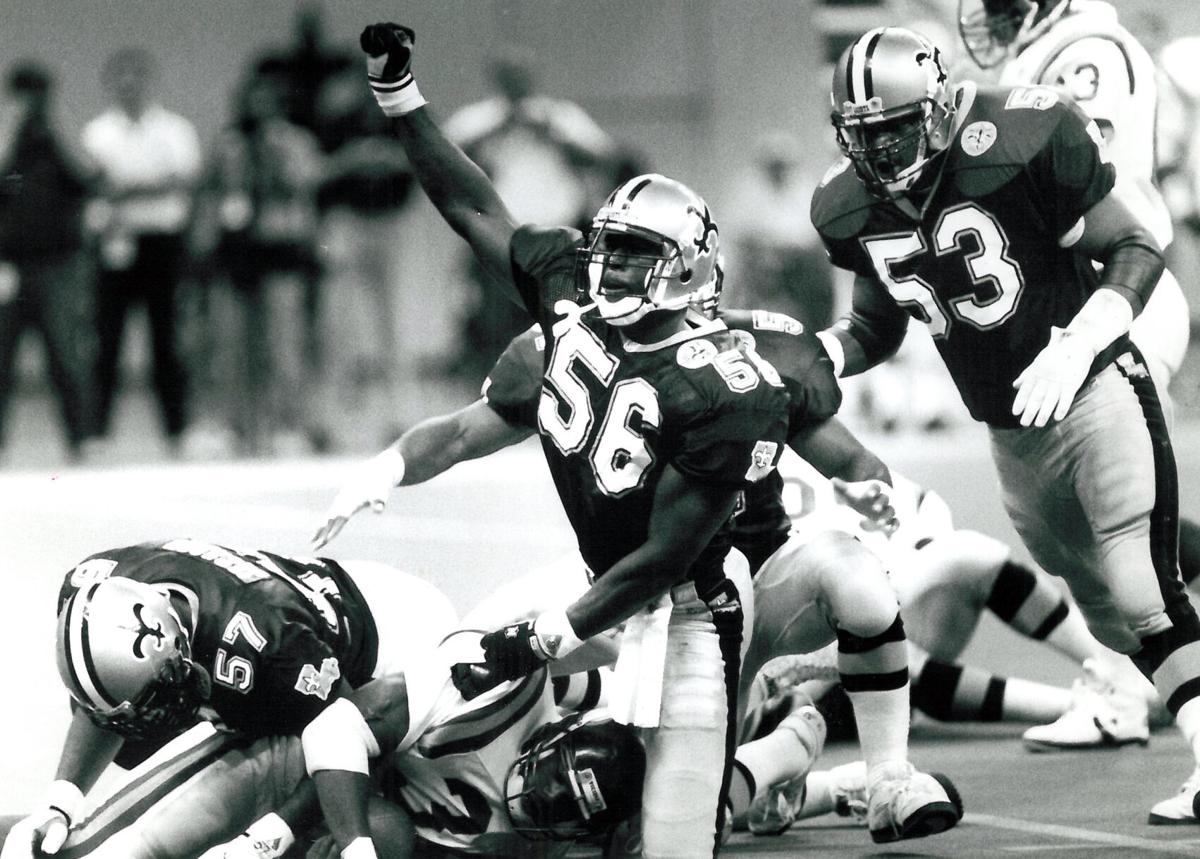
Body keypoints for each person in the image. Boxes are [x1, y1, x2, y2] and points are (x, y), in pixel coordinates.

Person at [354, 23, 792, 859]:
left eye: (633, 256)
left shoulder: (726, 388)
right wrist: (400, 98)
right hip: (590, 582)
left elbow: (664, 560)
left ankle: (794, 746)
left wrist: (547, 632)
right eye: (607, 250)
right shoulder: (569, 299)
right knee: (450, 692)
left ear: (687, 268)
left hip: (688, 612)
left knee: (670, 842)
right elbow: (473, 204)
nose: (608, 268)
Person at [312, 302, 964, 845]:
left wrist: (889, 528)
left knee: (860, 580)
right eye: (611, 256)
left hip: (739, 588)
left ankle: (885, 776)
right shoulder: (570, 349)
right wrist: (389, 466)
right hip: (623, 596)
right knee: (649, 805)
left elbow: (856, 460)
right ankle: (806, 765)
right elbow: (459, 434)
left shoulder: (756, 362)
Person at [811, 25, 1200, 825]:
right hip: (1009, 430)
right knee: (1099, 605)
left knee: (1141, 586)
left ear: (942, 105)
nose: (881, 157)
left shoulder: (1020, 137)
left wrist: (1085, 337)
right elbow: (874, 330)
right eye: (865, 140)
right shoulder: (848, 205)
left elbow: (1135, 242)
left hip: (1093, 386)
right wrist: (818, 353)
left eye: (894, 132)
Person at [0, 540, 456, 859]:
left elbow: (352, 735)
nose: (142, 721)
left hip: (385, 662)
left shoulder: (263, 646)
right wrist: (59, 799)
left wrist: (272, 833)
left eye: (152, 695)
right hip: (309, 651)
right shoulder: (103, 593)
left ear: (178, 643)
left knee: (387, 834)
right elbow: (105, 698)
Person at [81, 47, 203, 454]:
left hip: (161, 243)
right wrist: (149, 184)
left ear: (148, 83)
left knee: (166, 338)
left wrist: (127, 188)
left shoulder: (174, 130)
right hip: (115, 241)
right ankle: (97, 431)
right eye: (123, 80)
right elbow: (95, 186)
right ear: (113, 85)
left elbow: (183, 180)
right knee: (108, 338)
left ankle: (176, 429)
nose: (130, 87)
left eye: (138, 79)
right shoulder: (97, 132)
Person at [0, 62, 95, 461]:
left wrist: (57, 127)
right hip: (7, 265)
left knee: (66, 354)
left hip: (58, 265)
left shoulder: (58, 137)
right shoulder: (6, 138)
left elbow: (89, 177)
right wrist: (10, 126)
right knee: (1, 357)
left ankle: (82, 438)